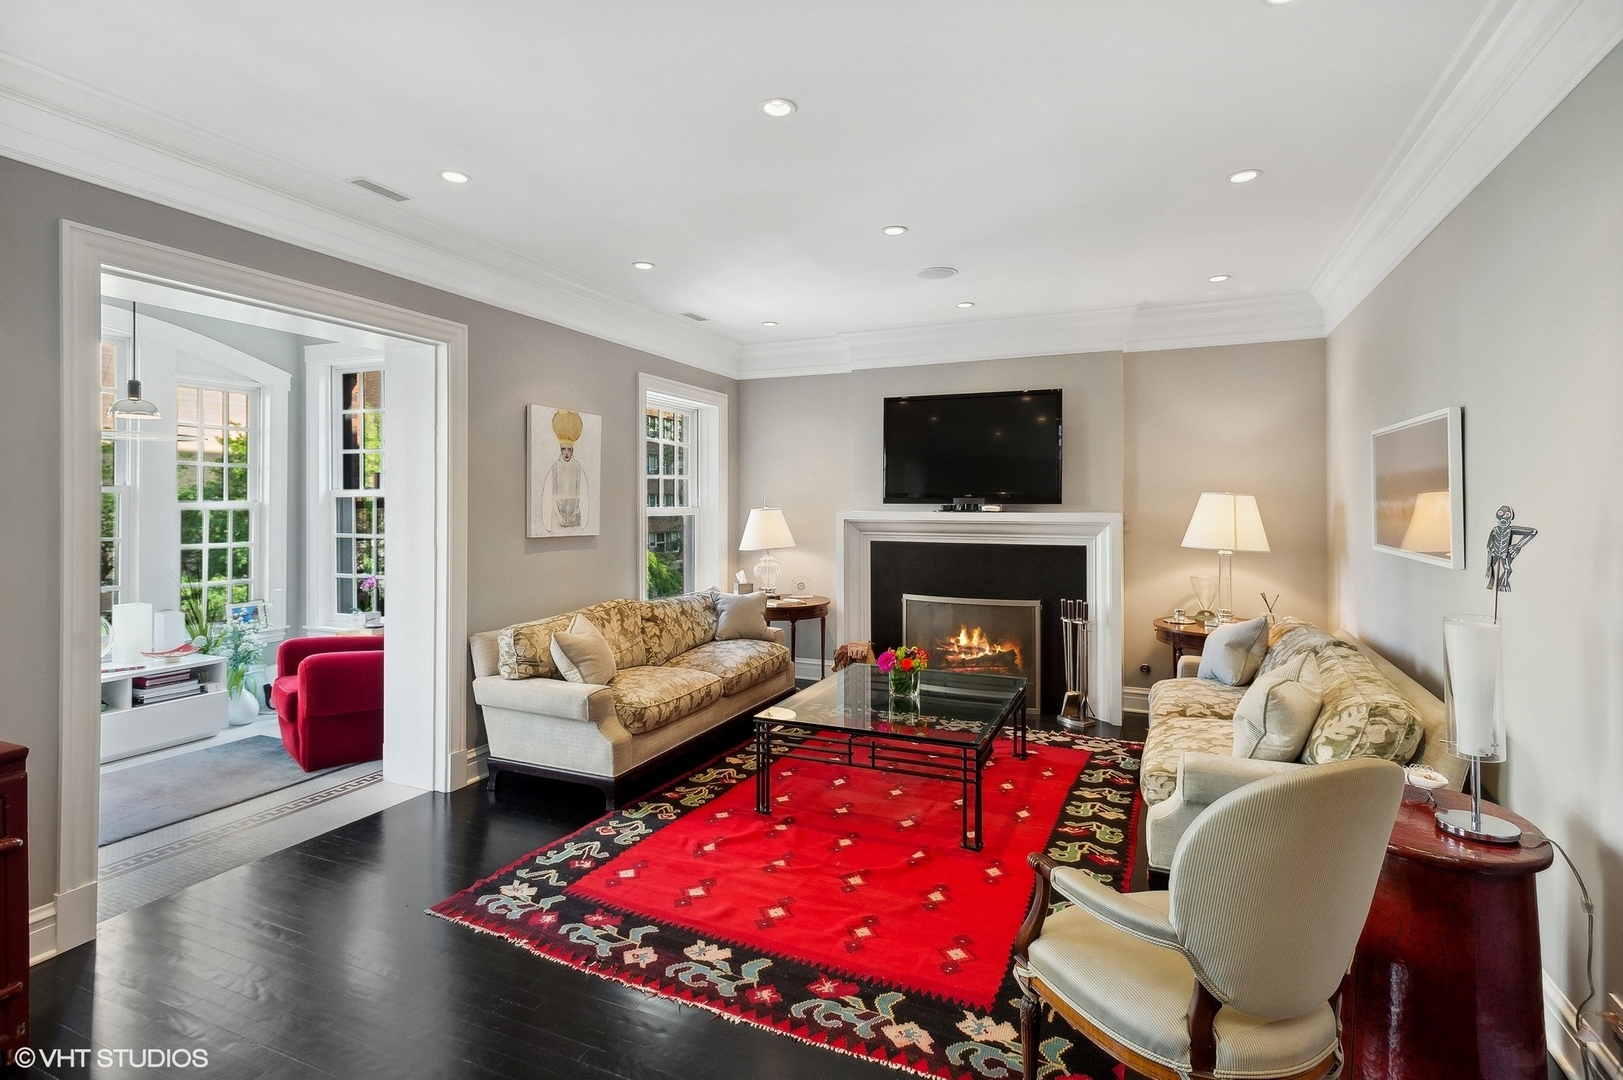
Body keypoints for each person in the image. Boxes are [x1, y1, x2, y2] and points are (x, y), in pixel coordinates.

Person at [540, 409, 589, 534]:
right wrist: (559, 517)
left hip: (574, 514)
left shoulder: (578, 468)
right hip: (558, 513)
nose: (566, 453)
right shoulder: (555, 468)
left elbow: (579, 495)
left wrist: (573, 515)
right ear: (560, 450)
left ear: (572, 451)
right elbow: (553, 493)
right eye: (563, 449)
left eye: (569, 449)